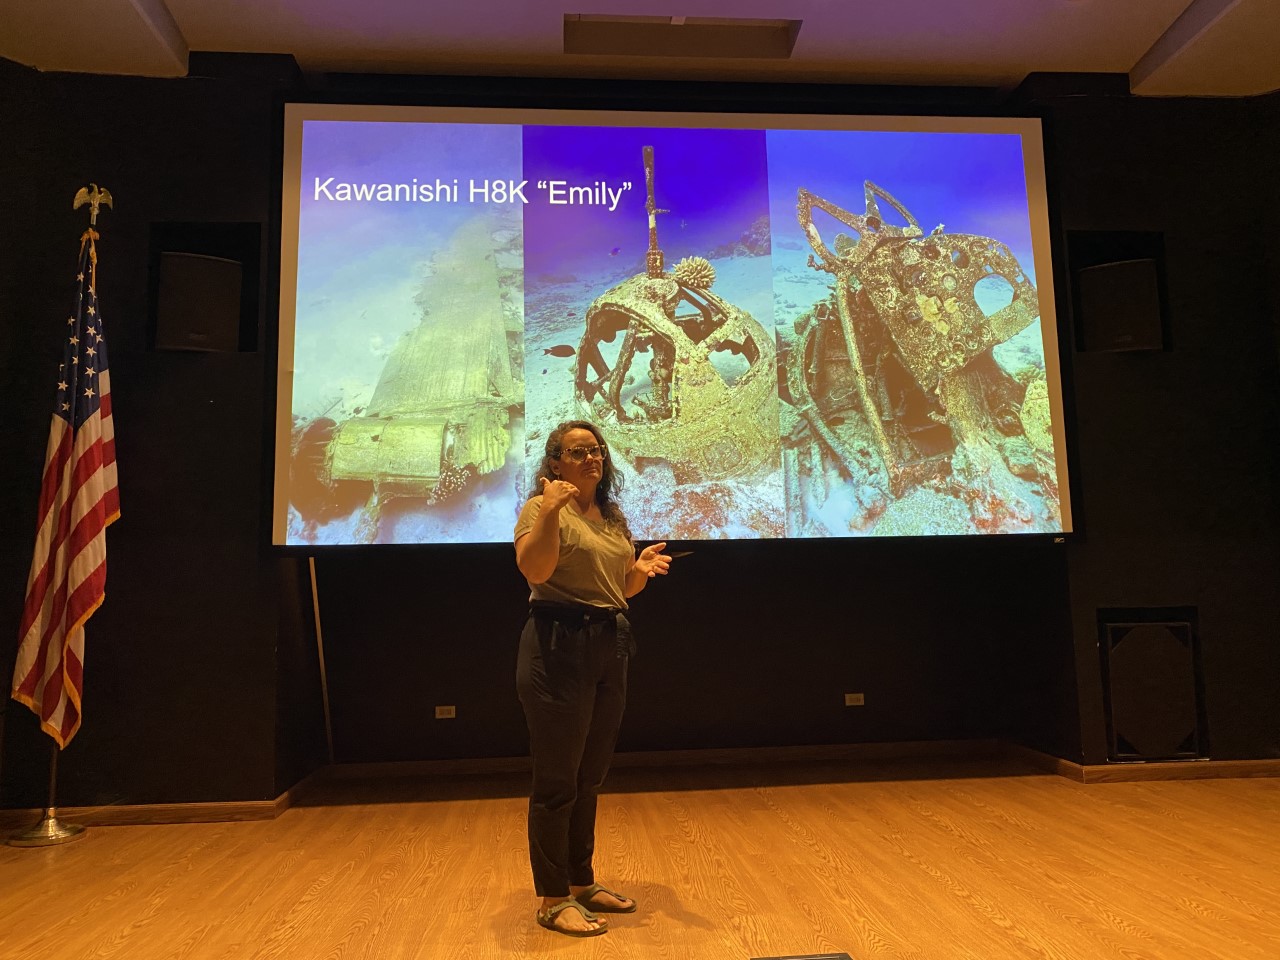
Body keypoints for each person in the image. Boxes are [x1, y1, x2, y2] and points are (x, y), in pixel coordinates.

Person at [514, 419, 673, 937]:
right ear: (555, 461)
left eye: (596, 450)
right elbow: (535, 570)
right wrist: (554, 510)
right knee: (558, 779)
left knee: (591, 774)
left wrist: (640, 569)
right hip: (557, 642)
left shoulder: (610, 516)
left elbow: (619, 588)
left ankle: (581, 882)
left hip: (610, 641)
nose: (591, 458)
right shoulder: (542, 509)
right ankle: (552, 897)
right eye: (578, 451)